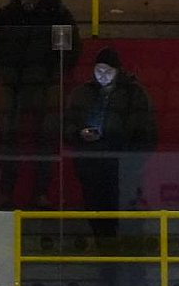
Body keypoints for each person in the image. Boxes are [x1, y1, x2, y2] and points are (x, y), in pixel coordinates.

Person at [0, 0, 79, 208]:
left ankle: (40, 193)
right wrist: (5, 73)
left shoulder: (57, 13)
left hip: (44, 85)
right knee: (7, 139)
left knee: (45, 140)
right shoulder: (7, 13)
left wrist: (51, 76)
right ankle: (6, 192)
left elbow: (67, 51)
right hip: (14, 84)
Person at [64, 46, 157, 254]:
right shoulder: (81, 94)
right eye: (99, 71)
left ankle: (132, 274)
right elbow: (67, 126)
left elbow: (146, 133)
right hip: (93, 170)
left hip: (123, 170)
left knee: (128, 223)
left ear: (117, 71)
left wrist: (132, 161)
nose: (102, 76)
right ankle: (108, 271)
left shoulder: (135, 94)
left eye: (107, 71)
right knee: (100, 224)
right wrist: (80, 134)